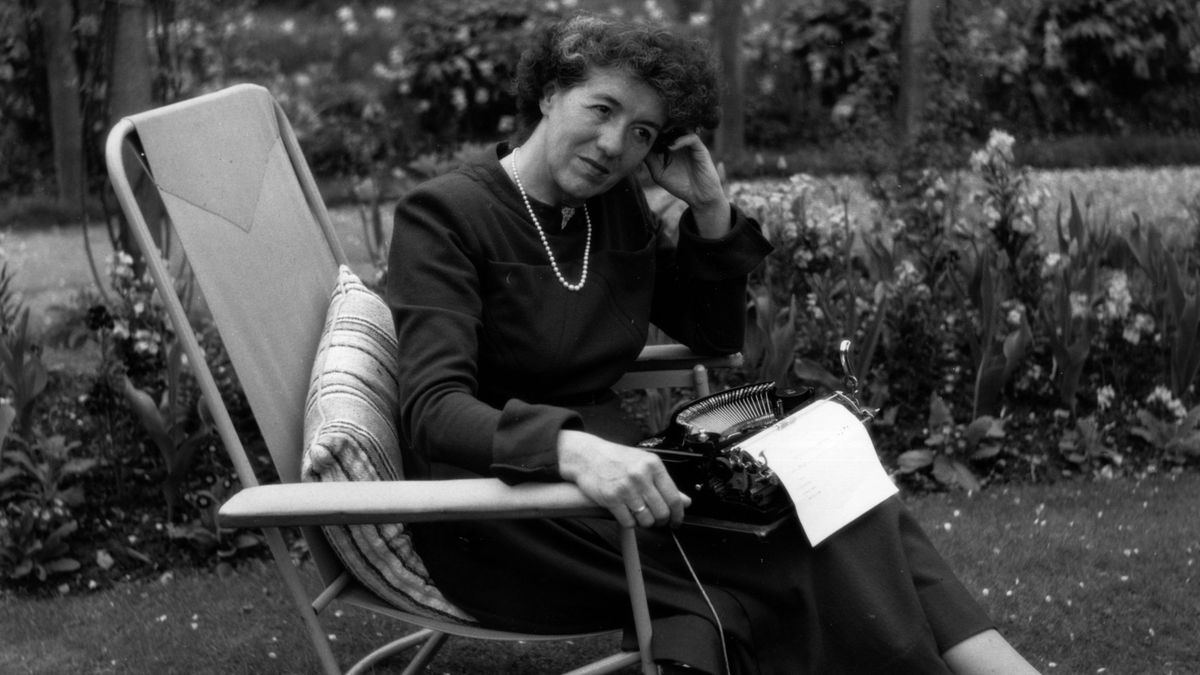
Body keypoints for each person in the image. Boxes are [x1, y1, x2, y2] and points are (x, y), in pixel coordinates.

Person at [387, 14, 1040, 675]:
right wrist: (571, 446)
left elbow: (714, 334)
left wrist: (707, 206)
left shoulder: (612, 202)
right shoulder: (444, 214)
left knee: (842, 493)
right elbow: (434, 409)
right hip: (508, 510)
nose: (616, 145)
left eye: (642, 131)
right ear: (551, 92)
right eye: (602, 108)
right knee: (796, 540)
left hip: (635, 480)